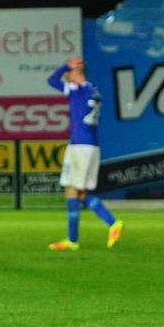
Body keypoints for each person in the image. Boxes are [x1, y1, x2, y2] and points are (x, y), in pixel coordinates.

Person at [46, 56, 123, 251]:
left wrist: (66, 65)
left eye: (70, 72)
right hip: (91, 146)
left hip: (80, 146)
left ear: (76, 72)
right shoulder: (94, 90)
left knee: (74, 191)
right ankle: (74, 239)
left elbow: (52, 81)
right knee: (76, 191)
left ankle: (110, 223)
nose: (67, 76)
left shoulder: (77, 90)